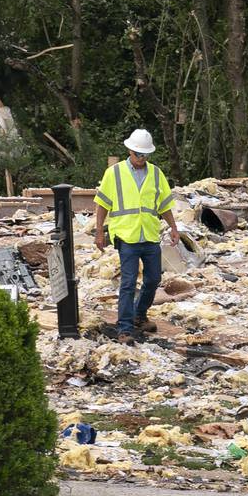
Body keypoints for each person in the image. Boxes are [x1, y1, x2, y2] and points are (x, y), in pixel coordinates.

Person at [93, 128, 180, 344]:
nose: (141, 159)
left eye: (144, 155)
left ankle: (140, 315)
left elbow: (164, 205)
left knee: (153, 280)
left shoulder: (156, 174)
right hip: (126, 236)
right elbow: (102, 204)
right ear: (130, 151)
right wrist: (98, 232)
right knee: (128, 283)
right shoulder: (114, 173)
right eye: (137, 154)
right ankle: (125, 328)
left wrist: (174, 228)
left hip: (149, 235)